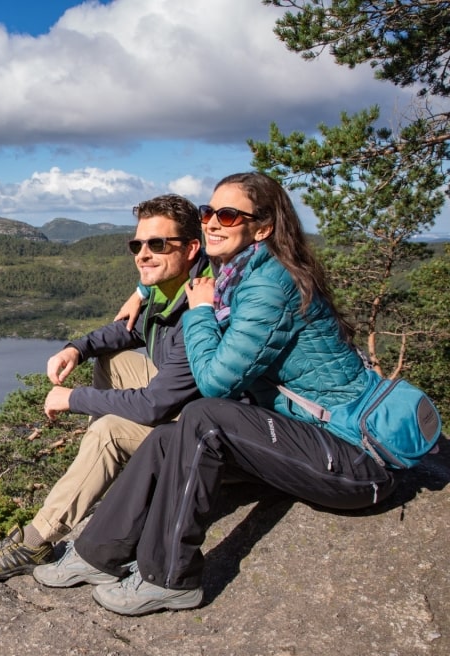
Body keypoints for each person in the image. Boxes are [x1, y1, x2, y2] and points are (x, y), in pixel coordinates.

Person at [32, 171, 397, 615]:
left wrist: (200, 312)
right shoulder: (238, 271)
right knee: (170, 437)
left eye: (227, 214)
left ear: (262, 228)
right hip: (294, 440)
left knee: (203, 415)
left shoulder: (267, 285)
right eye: (208, 212)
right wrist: (140, 292)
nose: (212, 223)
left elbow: (215, 382)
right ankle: (96, 553)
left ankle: (169, 577)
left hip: (351, 458)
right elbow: (177, 255)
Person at [0, 194, 211, 580]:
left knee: (109, 431)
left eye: (157, 244)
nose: (143, 254)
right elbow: (125, 331)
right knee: (112, 360)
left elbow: (153, 406)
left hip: (206, 434)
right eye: (138, 245)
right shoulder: (170, 289)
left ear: (192, 248)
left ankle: (37, 540)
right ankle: (115, 477)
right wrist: (76, 348)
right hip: (183, 405)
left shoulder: (202, 307)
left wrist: (72, 398)